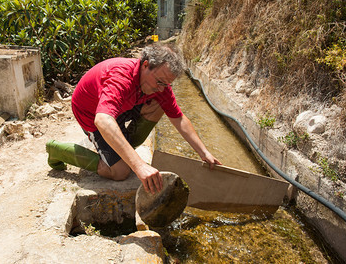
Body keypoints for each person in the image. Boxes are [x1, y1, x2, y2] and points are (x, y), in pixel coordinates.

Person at [46, 44, 222, 194]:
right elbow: (103, 120)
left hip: (122, 106)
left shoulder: (158, 85)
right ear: (145, 65)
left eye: (166, 84)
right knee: (121, 172)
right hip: (91, 113)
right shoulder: (121, 77)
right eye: (160, 82)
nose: (162, 89)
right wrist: (139, 166)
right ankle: (57, 150)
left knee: (161, 103)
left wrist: (203, 152)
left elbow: (178, 118)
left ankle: (121, 147)